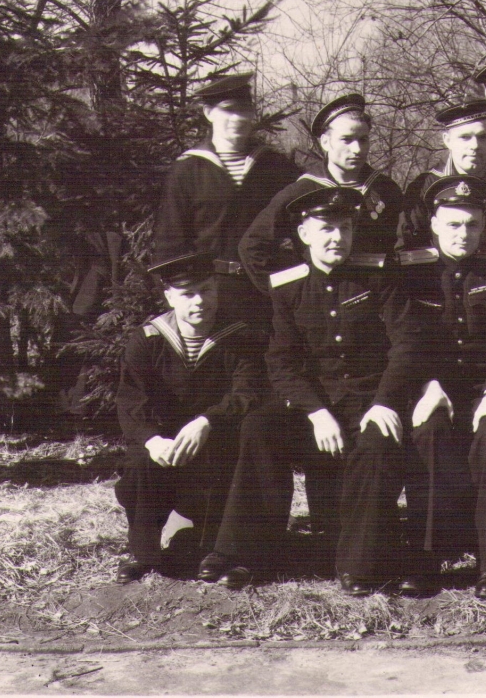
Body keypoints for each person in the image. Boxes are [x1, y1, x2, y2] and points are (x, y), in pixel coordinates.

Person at [202, 187, 414, 593]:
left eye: (345, 228)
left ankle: (359, 566)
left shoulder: (379, 276)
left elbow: (405, 344)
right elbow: (281, 362)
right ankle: (244, 554)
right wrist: (316, 412)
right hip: (314, 408)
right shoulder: (288, 286)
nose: (337, 238)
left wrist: (385, 402)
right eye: (326, 229)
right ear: (304, 234)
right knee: (260, 427)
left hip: (368, 402)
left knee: (376, 443)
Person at [400, 175, 486, 599]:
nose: (463, 233)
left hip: (485, 386)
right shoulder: (411, 272)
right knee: (429, 433)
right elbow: (405, 337)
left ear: (484, 226)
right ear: (434, 224)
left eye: (472, 224)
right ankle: (425, 560)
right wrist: (428, 385)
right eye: (453, 224)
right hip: (432, 387)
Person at [114, 252, 264, 583]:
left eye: (206, 290)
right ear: (169, 297)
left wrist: (207, 421)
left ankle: (216, 551)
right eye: (187, 294)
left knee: (235, 461)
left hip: (217, 440)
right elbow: (131, 400)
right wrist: (153, 440)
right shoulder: (148, 340)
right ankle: (143, 553)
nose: (199, 301)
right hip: (164, 444)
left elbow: (247, 391)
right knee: (139, 465)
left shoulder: (239, 337)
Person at [152, 72, 300, 329]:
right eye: (228, 110)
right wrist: (187, 296)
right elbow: (170, 243)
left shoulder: (274, 167)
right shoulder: (188, 170)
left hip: (268, 290)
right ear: (208, 113)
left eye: (245, 110)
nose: (238, 118)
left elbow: (301, 227)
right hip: (211, 295)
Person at [239, 93, 403, 294]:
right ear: (325, 142)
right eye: (346, 140)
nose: (357, 149)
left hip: (375, 299)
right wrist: (288, 295)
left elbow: (402, 249)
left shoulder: (386, 190)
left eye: (363, 139)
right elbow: (252, 246)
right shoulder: (302, 190)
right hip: (319, 300)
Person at [399, 100, 486, 256]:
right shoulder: (424, 186)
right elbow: (410, 249)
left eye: (483, 137)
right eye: (465, 137)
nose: (475, 145)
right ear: (447, 140)